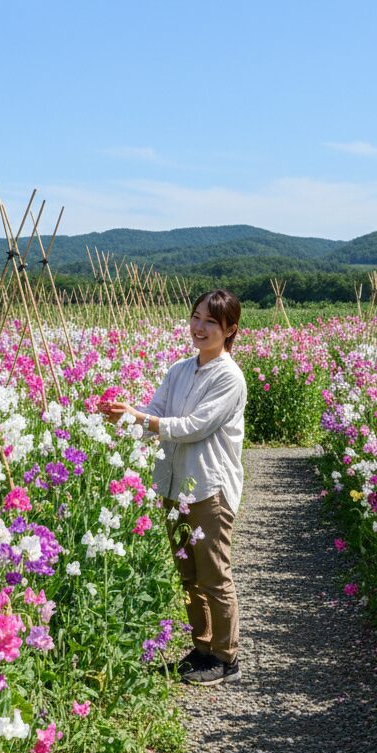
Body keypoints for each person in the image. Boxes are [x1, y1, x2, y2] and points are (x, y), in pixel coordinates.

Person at [99, 289, 246, 686]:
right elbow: (160, 412)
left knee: (214, 574)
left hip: (209, 487)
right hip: (174, 483)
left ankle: (225, 657)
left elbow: (194, 426)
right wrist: (126, 415)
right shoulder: (180, 369)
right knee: (188, 573)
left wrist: (142, 420)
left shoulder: (230, 378)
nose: (199, 327)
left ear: (230, 329)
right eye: (196, 317)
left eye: (210, 322)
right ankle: (201, 649)